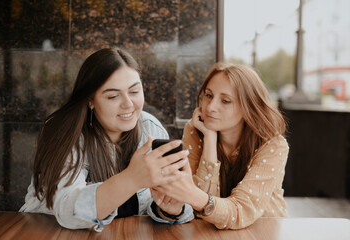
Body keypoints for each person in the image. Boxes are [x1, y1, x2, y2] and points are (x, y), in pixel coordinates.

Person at [20, 47, 193, 231]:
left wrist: (170, 210)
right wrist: (132, 178)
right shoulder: (65, 132)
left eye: (134, 91)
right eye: (113, 96)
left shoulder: (151, 129)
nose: (128, 104)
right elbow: (67, 211)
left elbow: (170, 204)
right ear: (90, 100)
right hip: (45, 231)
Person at [152, 62, 289, 229]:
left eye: (225, 101)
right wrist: (210, 139)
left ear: (248, 107)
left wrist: (192, 195)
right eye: (208, 95)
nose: (210, 107)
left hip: (262, 230)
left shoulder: (273, 145)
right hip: (210, 232)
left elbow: (241, 210)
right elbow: (198, 211)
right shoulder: (196, 130)